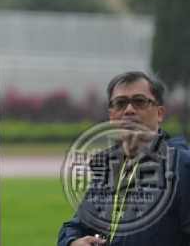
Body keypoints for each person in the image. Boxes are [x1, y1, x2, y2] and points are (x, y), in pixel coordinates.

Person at [58, 71, 190, 245]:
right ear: (111, 115)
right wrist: (72, 242)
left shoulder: (181, 166)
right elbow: (75, 226)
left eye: (140, 102)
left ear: (159, 113)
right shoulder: (109, 170)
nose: (129, 110)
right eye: (120, 103)